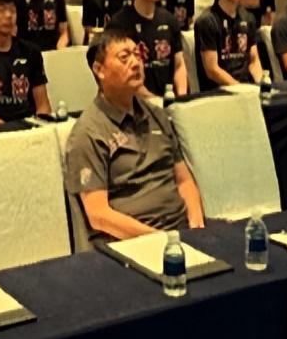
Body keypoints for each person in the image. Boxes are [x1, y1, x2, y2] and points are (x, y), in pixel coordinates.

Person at [63, 29, 205, 244]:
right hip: (133, 243)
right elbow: (98, 215)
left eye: (137, 55)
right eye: (124, 57)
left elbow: (184, 180)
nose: (136, 63)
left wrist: (196, 225)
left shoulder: (157, 115)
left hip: (182, 232)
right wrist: (160, 240)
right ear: (99, 70)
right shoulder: (88, 132)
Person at [107, 0, 186, 99]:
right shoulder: (119, 24)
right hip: (134, 101)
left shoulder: (170, 19)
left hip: (169, 99)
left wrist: (181, 97)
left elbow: (179, 65)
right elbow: (123, 76)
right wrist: (155, 102)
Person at [193, 0, 264, 91]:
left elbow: (254, 60)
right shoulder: (207, 21)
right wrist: (240, 88)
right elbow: (212, 70)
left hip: (247, 88)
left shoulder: (248, 18)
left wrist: (261, 84)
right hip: (219, 91)